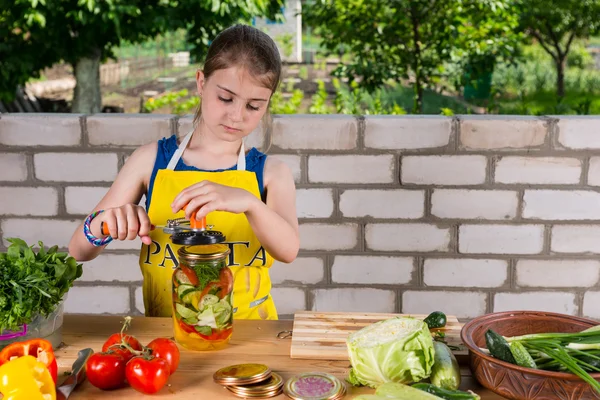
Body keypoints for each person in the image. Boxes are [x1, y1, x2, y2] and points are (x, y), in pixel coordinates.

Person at [68, 24, 300, 321]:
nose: (236, 115)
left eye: (254, 106)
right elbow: (78, 249)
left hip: (250, 338)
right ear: (201, 83)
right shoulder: (151, 160)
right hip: (166, 339)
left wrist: (250, 203)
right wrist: (104, 224)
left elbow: (289, 250)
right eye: (226, 98)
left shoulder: (271, 173)